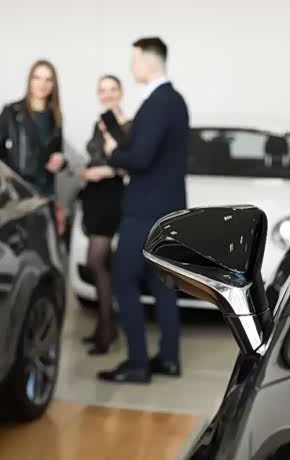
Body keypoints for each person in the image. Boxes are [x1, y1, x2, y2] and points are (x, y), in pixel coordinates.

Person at [97, 37, 189, 384]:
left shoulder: (157, 103)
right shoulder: (175, 101)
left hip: (145, 210)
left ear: (149, 62)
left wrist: (112, 152)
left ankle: (137, 364)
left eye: (134, 59)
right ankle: (169, 359)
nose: (131, 66)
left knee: (123, 280)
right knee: (161, 283)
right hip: (167, 209)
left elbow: (141, 157)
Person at [79, 75, 129, 355]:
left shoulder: (128, 125)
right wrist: (87, 171)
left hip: (111, 195)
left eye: (112, 89)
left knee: (95, 262)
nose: (107, 94)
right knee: (103, 265)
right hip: (94, 196)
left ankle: (107, 330)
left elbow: (127, 165)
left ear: (120, 93)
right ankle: (104, 326)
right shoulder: (99, 122)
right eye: (103, 90)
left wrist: (101, 171)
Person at [0, 60, 66, 198]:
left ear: (53, 84)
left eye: (48, 80)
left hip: (46, 193)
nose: (42, 84)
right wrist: (10, 177)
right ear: (30, 80)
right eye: (37, 78)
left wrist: (61, 161)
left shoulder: (55, 116)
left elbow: (56, 153)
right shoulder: (12, 112)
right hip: (19, 192)